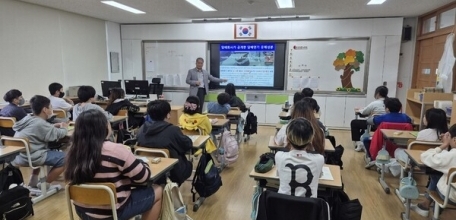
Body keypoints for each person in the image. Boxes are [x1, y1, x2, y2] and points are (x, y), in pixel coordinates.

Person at [65, 109, 162, 220]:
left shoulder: (72, 151)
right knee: (158, 190)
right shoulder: (116, 150)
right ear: (105, 127)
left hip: (83, 211)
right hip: (112, 212)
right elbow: (143, 178)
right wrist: (144, 165)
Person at [12, 95, 68, 189]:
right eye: (50, 107)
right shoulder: (40, 123)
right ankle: (46, 184)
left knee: (39, 148)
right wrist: (64, 128)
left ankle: (33, 181)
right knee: (68, 158)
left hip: (19, 156)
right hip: (32, 157)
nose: (51, 109)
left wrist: (53, 126)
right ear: (45, 109)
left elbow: (39, 130)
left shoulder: (28, 118)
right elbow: (58, 134)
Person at [137, 100, 192, 186]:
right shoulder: (173, 130)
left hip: (148, 169)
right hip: (173, 172)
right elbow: (187, 145)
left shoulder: (142, 129)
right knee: (189, 164)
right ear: (167, 115)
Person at [411, 124, 456, 217]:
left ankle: (427, 206)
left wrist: (444, 145)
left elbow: (425, 157)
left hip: (451, 196)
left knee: (436, 174)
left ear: (454, 140)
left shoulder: (452, 155)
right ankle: (425, 205)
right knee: (441, 173)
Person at [275, 118, 325, 197]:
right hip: (309, 208)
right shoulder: (319, 159)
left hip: (283, 207)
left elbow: (278, 175)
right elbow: (319, 176)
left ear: (287, 138)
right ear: (311, 139)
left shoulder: (279, 156)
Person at [364, 98, 412, 168]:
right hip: (400, 144)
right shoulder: (405, 117)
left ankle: (373, 159)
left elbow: (369, 121)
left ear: (387, 109)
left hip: (384, 142)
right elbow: (410, 121)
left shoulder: (383, 117)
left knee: (366, 140)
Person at [351, 86, 388, 151]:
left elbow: (364, 112)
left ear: (378, 93)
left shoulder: (374, 103)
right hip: (387, 126)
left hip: (374, 125)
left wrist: (360, 109)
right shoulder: (390, 103)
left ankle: (359, 143)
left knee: (354, 123)